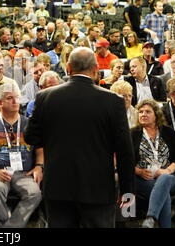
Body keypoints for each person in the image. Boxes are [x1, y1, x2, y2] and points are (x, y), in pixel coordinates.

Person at [24, 47, 135, 228]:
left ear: (68, 68)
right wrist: (128, 190)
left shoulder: (45, 97)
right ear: (95, 70)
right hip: (97, 187)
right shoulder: (113, 101)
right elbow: (125, 151)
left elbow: (30, 137)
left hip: (58, 186)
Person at [0, 83, 43, 228]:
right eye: (10, 98)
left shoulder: (29, 124)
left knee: (34, 193)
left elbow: (40, 150)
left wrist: (39, 167)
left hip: (23, 173)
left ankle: (9, 229)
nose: (15, 101)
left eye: (17, 98)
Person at [131, 99, 175, 228]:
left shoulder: (168, 132)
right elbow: (125, 160)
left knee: (164, 180)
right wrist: (139, 171)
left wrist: (167, 171)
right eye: (140, 112)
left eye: (148, 111)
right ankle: (152, 220)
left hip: (169, 177)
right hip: (143, 179)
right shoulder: (132, 134)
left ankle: (151, 217)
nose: (143, 114)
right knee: (164, 195)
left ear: (156, 115)